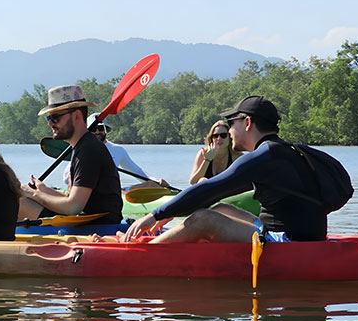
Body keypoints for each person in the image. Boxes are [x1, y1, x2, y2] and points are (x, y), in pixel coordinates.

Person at [123, 96, 329, 243]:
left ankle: (143, 251)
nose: (229, 131)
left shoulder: (263, 157)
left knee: (204, 219)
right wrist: (174, 211)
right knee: (221, 208)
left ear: (247, 123)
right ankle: (172, 239)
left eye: (231, 123)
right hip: (294, 233)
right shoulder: (284, 151)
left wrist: (154, 215)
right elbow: (213, 194)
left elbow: (211, 188)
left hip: (285, 241)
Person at [19, 85, 122, 225]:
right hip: (86, 221)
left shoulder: (88, 149)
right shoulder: (82, 146)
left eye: (55, 117)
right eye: (48, 118)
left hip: (96, 227)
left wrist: (33, 194)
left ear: (77, 116)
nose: (50, 123)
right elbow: (72, 200)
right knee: (21, 197)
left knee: (19, 202)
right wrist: (44, 190)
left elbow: (73, 207)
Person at [71, 113, 169, 189]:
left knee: (150, 185)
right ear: (87, 130)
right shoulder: (82, 149)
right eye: (93, 128)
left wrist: (157, 182)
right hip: (86, 192)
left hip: (113, 192)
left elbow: (137, 172)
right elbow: (67, 178)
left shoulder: (118, 150)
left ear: (106, 130)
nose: (97, 132)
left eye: (100, 128)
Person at [188, 120, 244, 185]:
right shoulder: (203, 154)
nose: (219, 138)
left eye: (223, 135)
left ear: (230, 137)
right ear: (211, 138)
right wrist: (207, 160)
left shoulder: (237, 157)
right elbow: (192, 182)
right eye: (215, 136)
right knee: (202, 180)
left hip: (228, 192)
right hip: (207, 193)